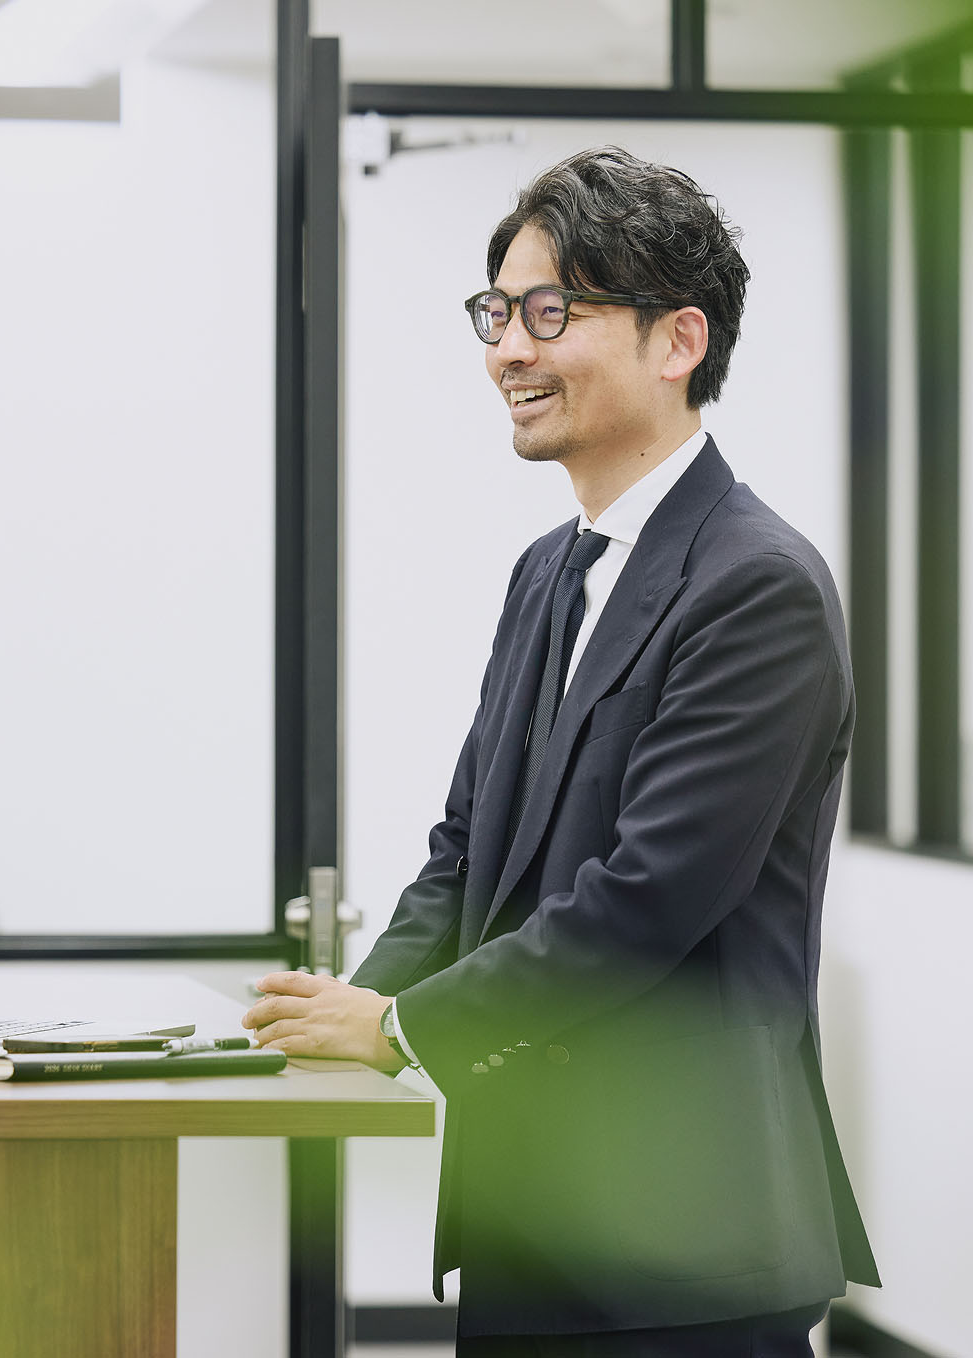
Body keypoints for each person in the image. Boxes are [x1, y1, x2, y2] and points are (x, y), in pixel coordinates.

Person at [243, 146, 880, 1355]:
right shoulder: (552, 572)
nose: (507, 351)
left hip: (686, 1251)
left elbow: (642, 903)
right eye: (496, 313)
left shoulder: (759, 587)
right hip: (524, 1216)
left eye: (551, 312)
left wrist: (391, 1031)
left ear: (676, 340)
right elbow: (463, 849)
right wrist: (346, 1005)